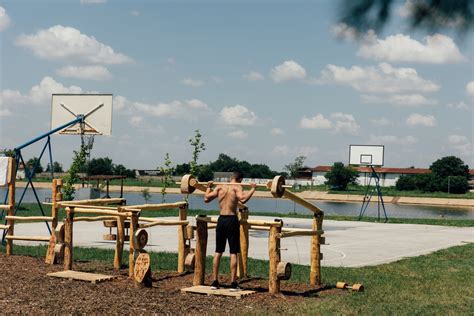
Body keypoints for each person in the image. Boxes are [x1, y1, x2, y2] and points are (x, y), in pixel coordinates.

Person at [203, 171, 256, 291]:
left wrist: (208, 187)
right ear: (240, 180)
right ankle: (233, 283)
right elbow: (243, 199)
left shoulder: (220, 186)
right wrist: (253, 189)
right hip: (232, 220)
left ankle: (214, 282)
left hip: (221, 220)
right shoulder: (237, 187)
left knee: (218, 251)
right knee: (233, 252)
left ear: (231, 177)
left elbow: (206, 199)